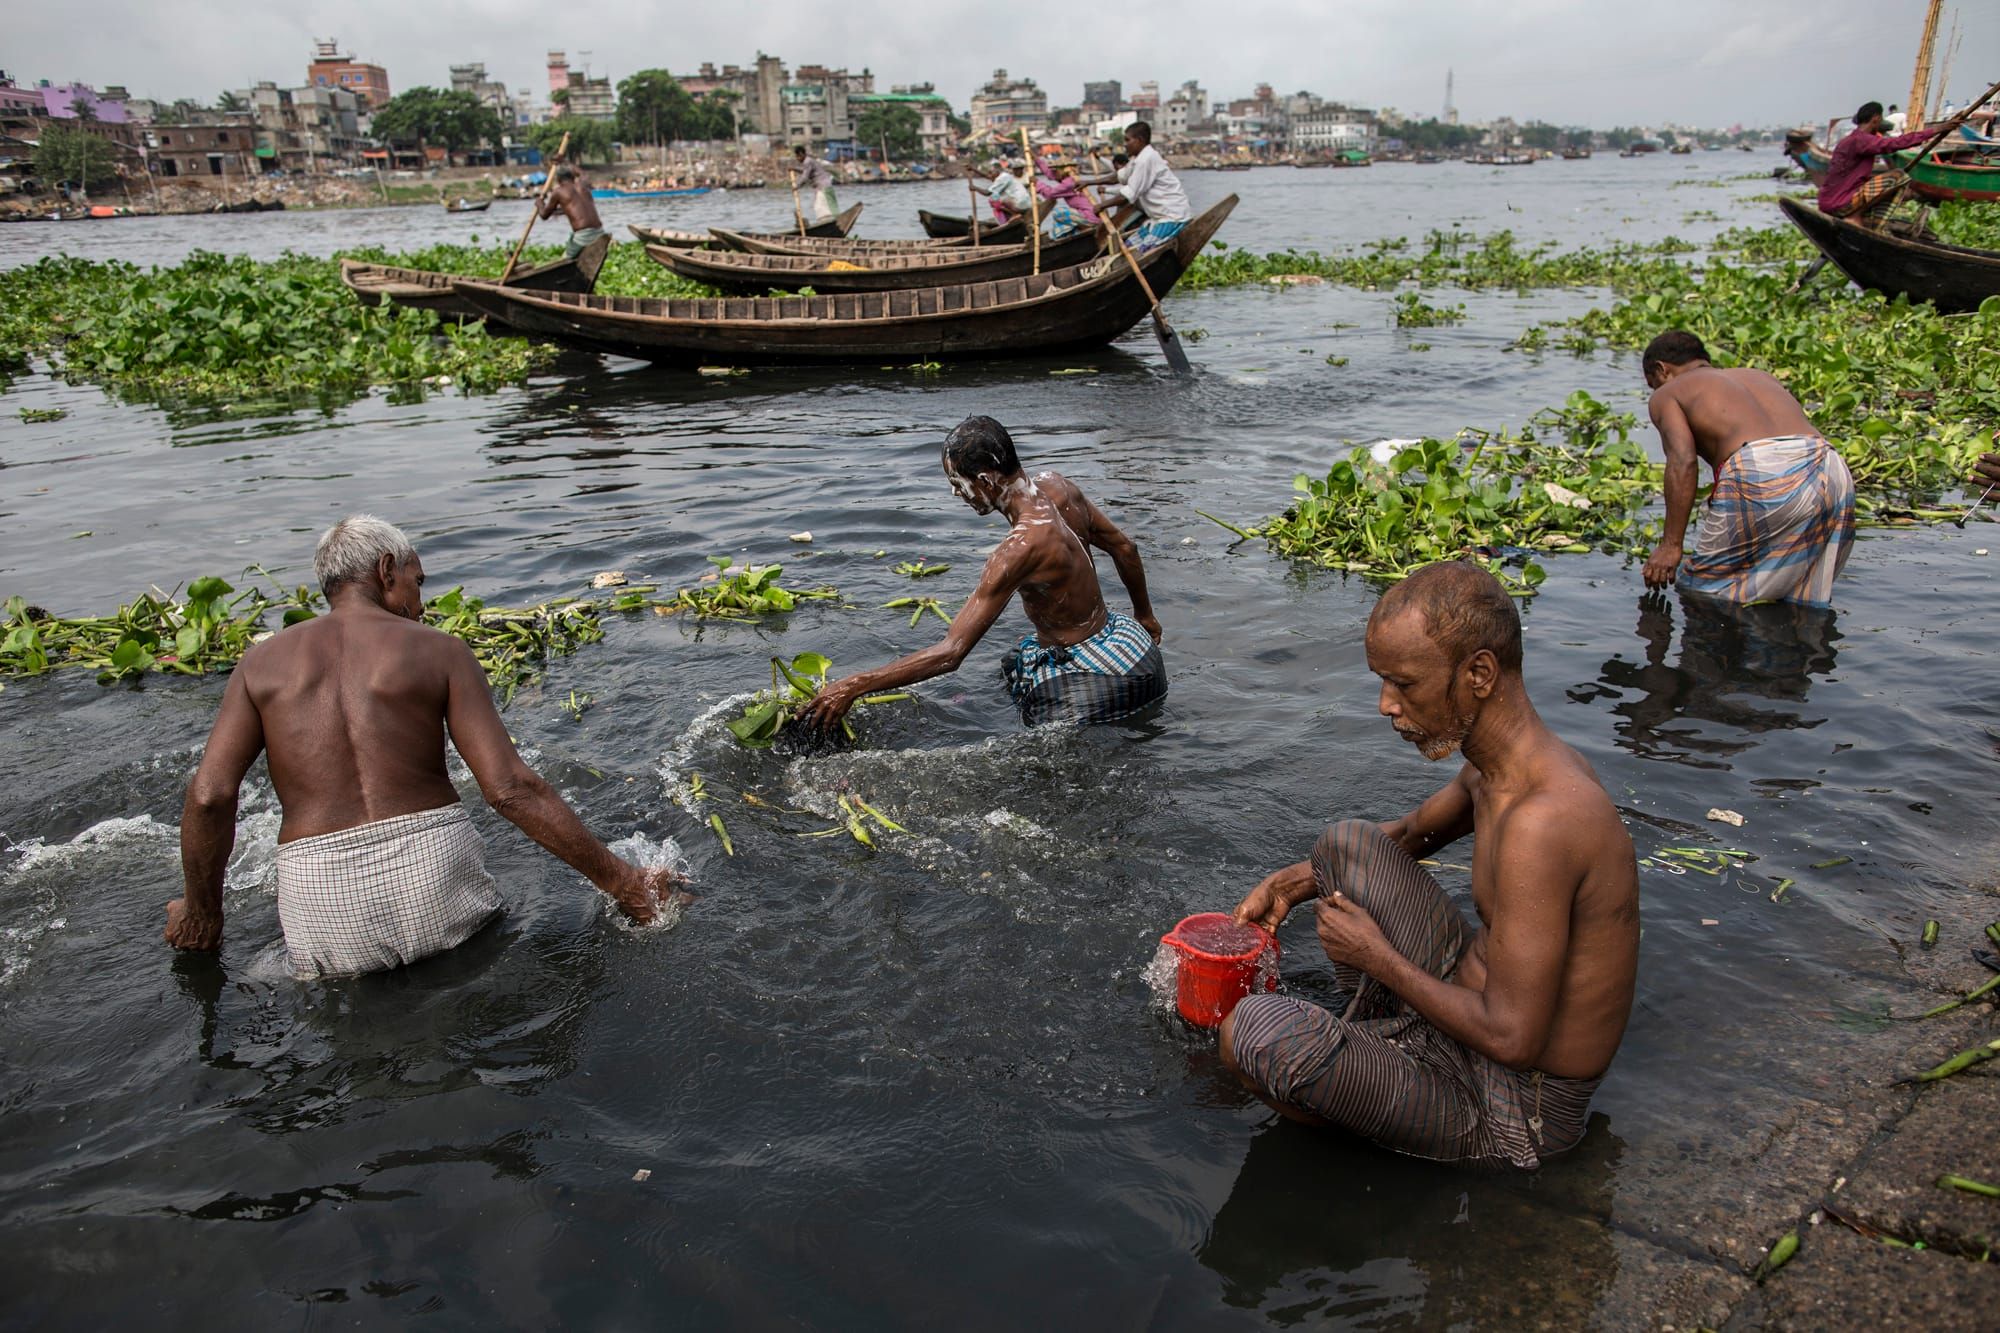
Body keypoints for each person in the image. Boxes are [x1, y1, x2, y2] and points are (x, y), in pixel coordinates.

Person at [1219, 561, 1640, 1171]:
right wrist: (1292, 882)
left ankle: (1371, 1111)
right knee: (1344, 846)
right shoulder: (1499, 769)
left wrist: (1375, 958)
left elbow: (1513, 1040)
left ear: (1479, 674)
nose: (1387, 705)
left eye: (1405, 684)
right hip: (1466, 1023)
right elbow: (1411, 833)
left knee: (1251, 1034)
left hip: (1515, 1110)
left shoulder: (1544, 824)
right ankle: (1382, 1058)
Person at [164, 516, 682, 978]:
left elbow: (210, 796)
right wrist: (625, 883)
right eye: (418, 582)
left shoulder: (259, 665)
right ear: (387, 570)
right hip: (434, 879)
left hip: (320, 899)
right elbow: (509, 789)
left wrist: (202, 913)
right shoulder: (440, 649)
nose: (421, 603)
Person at [799, 416, 1164, 730]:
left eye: (959, 484)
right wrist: (1145, 616)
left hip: (1097, 672)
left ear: (987, 481)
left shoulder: (1018, 550)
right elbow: (1125, 548)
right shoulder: (1059, 487)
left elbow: (951, 653)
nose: (957, 494)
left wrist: (856, 684)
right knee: (1013, 664)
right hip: (1127, 644)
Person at [1639, 330, 1856, 607]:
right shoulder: (1758, 376)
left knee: (1700, 589)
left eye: (1653, 383)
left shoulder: (1668, 393)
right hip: (1830, 465)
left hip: (1763, 469)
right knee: (1799, 597)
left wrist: (1670, 546)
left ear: (1661, 369)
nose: (1655, 390)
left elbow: (1683, 461)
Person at [1817, 101, 1930, 227]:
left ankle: (1867, 220)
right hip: (1839, 204)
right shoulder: (1862, 140)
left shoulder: (1848, 140)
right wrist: (1934, 131)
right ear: (1876, 119)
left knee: (1885, 186)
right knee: (1898, 176)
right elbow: (1896, 143)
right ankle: (1855, 215)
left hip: (1825, 203)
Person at [1102, 122, 1191, 252]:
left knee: (1140, 251)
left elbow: (1128, 194)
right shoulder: (1136, 159)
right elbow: (1120, 176)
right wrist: (1088, 183)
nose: (1125, 144)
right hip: (1157, 219)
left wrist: (1101, 206)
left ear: (1139, 140)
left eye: (1128, 140)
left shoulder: (1146, 159)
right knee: (1126, 248)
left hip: (1172, 217)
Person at [538, 165, 606, 260]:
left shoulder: (558, 192)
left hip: (583, 236)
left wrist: (539, 204)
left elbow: (544, 215)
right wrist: (565, 163)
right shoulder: (583, 184)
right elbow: (582, 173)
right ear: (573, 176)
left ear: (558, 179)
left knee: (563, 261)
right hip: (600, 231)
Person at [974, 158, 1033, 222]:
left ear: (997, 171)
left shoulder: (1003, 178)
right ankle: (1012, 215)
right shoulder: (1004, 176)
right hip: (1025, 204)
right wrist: (973, 169)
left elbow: (987, 193)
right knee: (997, 199)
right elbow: (987, 176)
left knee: (994, 201)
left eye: (991, 173)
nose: (990, 175)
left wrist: (974, 188)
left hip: (1022, 205)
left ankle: (1014, 215)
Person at [792, 145, 838, 222]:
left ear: (801, 154)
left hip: (823, 186)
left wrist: (797, 186)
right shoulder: (809, 161)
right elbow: (805, 172)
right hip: (826, 185)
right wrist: (794, 169)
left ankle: (827, 224)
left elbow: (804, 177)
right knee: (828, 206)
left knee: (819, 207)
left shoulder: (807, 161)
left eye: (798, 156)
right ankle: (831, 222)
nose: (797, 159)